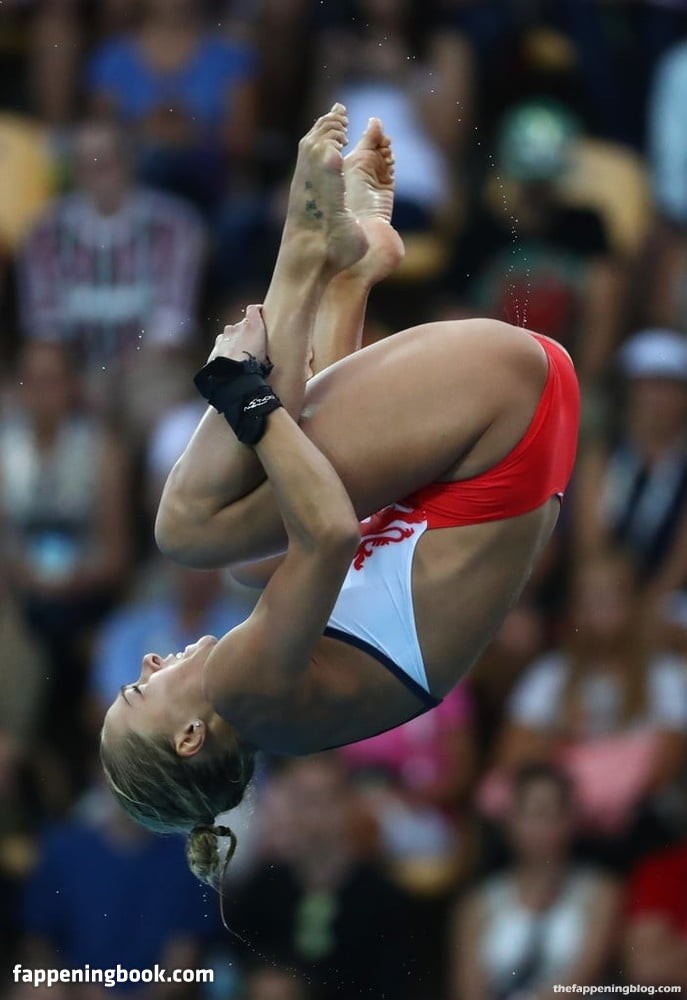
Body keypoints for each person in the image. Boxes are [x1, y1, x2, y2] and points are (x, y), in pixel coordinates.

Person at [100, 104, 580, 894]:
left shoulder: (282, 711)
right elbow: (327, 532)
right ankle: (301, 254)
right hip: (500, 424)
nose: (149, 662)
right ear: (189, 737)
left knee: (247, 559)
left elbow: (329, 493)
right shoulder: (241, 689)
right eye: (137, 691)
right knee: (187, 530)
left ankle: (344, 267)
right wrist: (238, 392)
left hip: (504, 438)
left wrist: (338, 310)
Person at [451, 763, 621, 1000]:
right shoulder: (478, 903)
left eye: (553, 813)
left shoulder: (601, 892)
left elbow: (584, 978)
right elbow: (469, 990)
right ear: (510, 821)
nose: (542, 827)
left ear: (571, 820)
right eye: (533, 813)